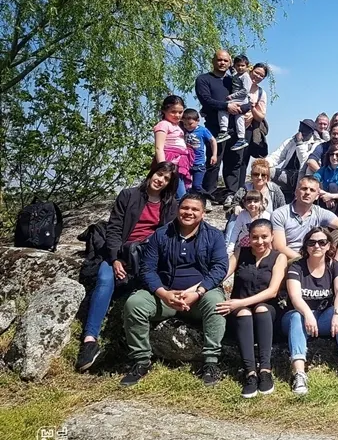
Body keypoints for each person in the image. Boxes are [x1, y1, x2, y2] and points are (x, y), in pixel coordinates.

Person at [75, 162, 180, 373]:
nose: (160, 180)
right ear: (152, 173)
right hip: (121, 253)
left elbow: (166, 238)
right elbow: (114, 228)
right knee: (105, 279)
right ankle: (89, 340)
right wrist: (115, 258)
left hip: (147, 256)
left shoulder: (170, 205)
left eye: (166, 178)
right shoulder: (129, 195)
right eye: (159, 174)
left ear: (170, 184)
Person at [120, 193, 228, 387]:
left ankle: (211, 363)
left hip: (199, 296)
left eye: (195, 209)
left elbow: (220, 268)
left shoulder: (214, 236)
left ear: (203, 213)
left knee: (216, 303)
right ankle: (141, 361)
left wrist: (198, 292)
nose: (189, 212)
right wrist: (163, 293)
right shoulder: (161, 235)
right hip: (165, 296)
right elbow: (147, 269)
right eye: (185, 208)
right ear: (178, 209)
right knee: (134, 304)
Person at [283, 226, 338, 394]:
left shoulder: (335, 266)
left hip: (323, 319)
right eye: (312, 243)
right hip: (299, 319)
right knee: (296, 316)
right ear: (306, 246)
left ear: (328, 246)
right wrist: (308, 314)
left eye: (322, 242)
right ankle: (299, 372)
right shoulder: (296, 267)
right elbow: (296, 298)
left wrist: (337, 312)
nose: (317, 246)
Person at [217, 218, 287, 398]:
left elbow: (272, 291)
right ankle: (250, 373)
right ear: (249, 237)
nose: (260, 241)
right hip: (240, 310)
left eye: (264, 236)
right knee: (244, 312)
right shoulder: (240, 252)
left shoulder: (279, 257)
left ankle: (265, 370)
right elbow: (222, 275)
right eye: (255, 237)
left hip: (266, 309)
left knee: (260, 309)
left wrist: (240, 302)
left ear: (272, 236)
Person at [195, 50, 252, 204]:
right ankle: (208, 195)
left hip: (235, 127)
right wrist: (226, 106)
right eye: (219, 60)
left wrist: (245, 110)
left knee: (234, 161)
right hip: (215, 127)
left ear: (230, 63)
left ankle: (231, 194)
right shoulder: (204, 79)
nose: (222, 63)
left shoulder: (233, 79)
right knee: (213, 160)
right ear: (213, 61)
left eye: (226, 61)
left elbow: (246, 99)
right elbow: (206, 100)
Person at [271, 177, 338, 262]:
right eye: (304, 189)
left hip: (314, 254)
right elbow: (279, 247)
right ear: (296, 192)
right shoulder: (280, 214)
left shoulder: (319, 212)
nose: (307, 192)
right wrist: (304, 261)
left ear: (317, 196)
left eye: (312, 190)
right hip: (291, 258)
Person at [223, 159, 285, 247]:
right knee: (234, 218)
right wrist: (236, 207)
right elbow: (234, 203)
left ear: (268, 177)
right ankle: (228, 246)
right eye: (256, 174)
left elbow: (282, 208)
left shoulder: (274, 190)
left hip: (268, 224)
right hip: (246, 224)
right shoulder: (245, 188)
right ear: (251, 176)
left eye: (263, 175)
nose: (259, 177)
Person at [266, 119, 322, 200]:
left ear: (312, 132)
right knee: (267, 171)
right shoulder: (291, 141)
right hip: (287, 174)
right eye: (301, 128)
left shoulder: (317, 144)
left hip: (303, 176)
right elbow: (277, 156)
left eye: (306, 130)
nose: (302, 132)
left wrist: (300, 143)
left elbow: (305, 161)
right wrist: (263, 163)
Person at [153, 95, 192, 199]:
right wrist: (163, 168)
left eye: (180, 112)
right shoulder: (163, 124)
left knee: (178, 191)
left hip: (180, 163)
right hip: (170, 163)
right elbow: (159, 148)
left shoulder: (177, 126)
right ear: (164, 110)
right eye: (173, 112)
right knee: (180, 195)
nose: (177, 115)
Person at [232, 61, 269, 156]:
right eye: (256, 72)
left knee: (241, 160)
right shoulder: (237, 82)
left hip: (246, 128)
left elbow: (260, 117)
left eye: (261, 76)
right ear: (251, 70)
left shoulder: (261, 93)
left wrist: (252, 107)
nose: (258, 76)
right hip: (229, 126)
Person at [217, 54, 251, 147]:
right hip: (239, 99)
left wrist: (232, 96)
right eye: (238, 65)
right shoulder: (236, 75)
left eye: (242, 65)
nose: (240, 68)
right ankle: (241, 138)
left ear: (247, 66)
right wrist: (230, 63)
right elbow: (232, 70)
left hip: (240, 99)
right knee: (239, 118)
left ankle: (223, 130)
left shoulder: (245, 76)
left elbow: (245, 90)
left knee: (223, 108)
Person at [181, 108, 216, 195]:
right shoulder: (183, 130)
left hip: (199, 163)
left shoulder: (202, 130)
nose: (187, 126)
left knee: (196, 186)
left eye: (190, 124)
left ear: (197, 121)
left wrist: (214, 155)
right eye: (185, 124)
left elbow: (213, 141)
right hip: (186, 163)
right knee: (186, 186)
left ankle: (207, 197)